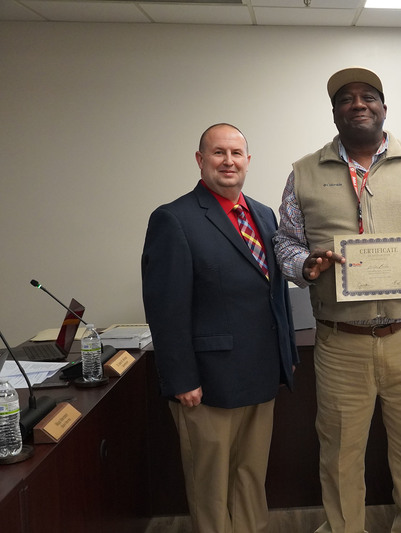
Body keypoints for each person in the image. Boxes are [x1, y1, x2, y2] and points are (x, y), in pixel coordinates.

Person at [273, 66, 401, 533]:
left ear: (384, 108)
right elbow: (284, 241)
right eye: (347, 98)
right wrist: (304, 265)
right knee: (340, 454)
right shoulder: (304, 171)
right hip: (341, 341)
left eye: (368, 96)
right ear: (335, 112)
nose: (358, 104)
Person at [141, 123, 298, 533]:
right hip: (207, 383)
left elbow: (275, 294)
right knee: (210, 483)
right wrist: (181, 377)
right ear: (200, 160)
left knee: (251, 475)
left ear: (248, 161)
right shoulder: (174, 219)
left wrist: (287, 358)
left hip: (261, 374)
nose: (228, 161)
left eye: (236, 153)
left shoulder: (263, 215)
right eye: (218, 153)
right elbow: (165, 308)